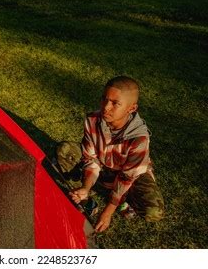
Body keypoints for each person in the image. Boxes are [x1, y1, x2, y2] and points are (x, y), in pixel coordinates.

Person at [57, 76, 164, 233]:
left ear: (132, 109)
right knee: (64, 150)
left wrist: (108, 212)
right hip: (103, 167)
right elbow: (90, 159)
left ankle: (119, 198)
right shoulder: (92, 120)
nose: (106, 107)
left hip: (131, 176)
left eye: (115, 103)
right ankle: (92, 193)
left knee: (154, 212)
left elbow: (127, 177)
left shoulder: (139, 138)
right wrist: (86, 187)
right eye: (104, 99)